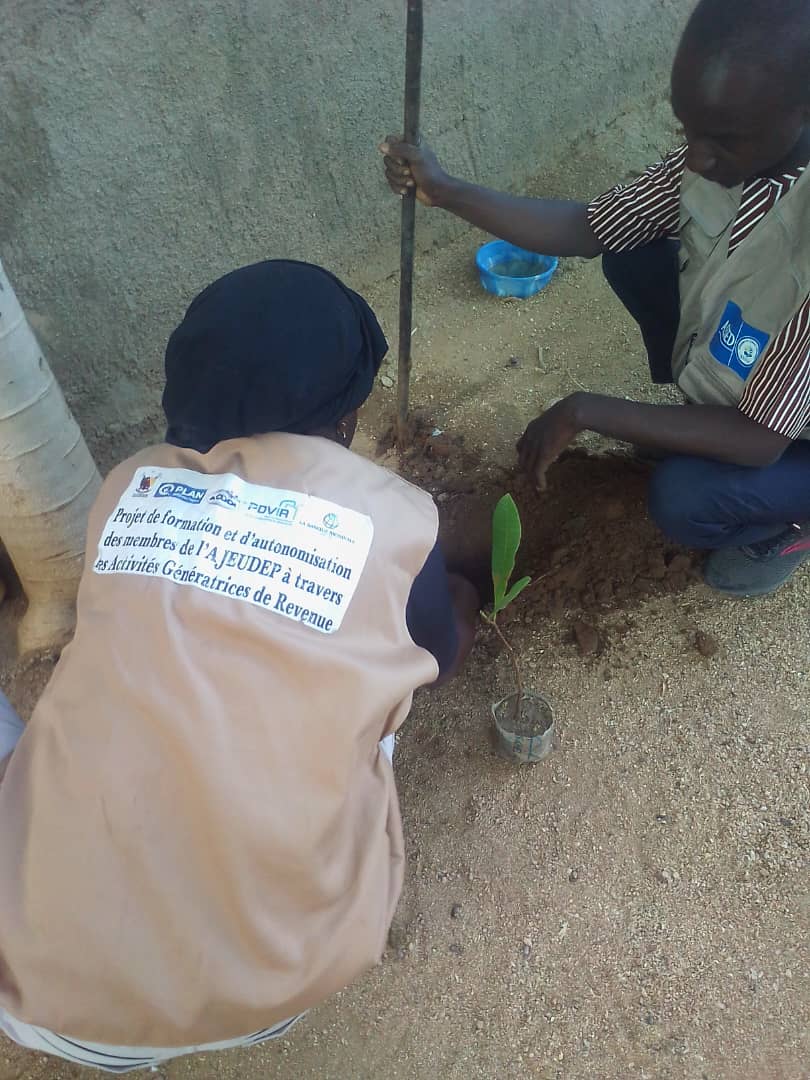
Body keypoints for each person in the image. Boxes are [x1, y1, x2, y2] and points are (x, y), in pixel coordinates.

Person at [0, 259, 479, 1072]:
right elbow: (442, 653)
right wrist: (457, 596)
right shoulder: (397, 519)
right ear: (347, 414)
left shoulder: (128, 487)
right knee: (375, 701)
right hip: (272, 988)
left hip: (33, 991)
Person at [381, 0, 810, 598]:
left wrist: (586, 410)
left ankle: (786, 527)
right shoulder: (726, 153)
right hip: (763, 379)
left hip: (783, 434)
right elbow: (592, 226)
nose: (696, 158)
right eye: (688, 129)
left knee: (682, 498)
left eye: (723, 141)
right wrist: (447, 190)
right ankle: (692, 418)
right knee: (631, 252)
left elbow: (760, 439)